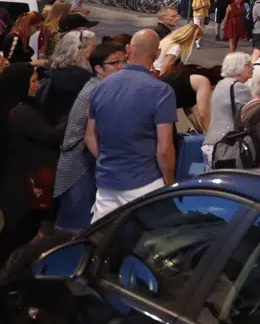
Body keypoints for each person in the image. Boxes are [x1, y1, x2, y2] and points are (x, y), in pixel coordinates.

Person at [85, 30, 175, 221]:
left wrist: (105, 161)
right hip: (146, 183)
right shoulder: (161, 91)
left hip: (106, 184)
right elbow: (164, 148)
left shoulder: (100, 87)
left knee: (102, 242)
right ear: (157, 54)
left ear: (128, 49)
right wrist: (170, 184)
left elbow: (90, 136)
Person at [52, 43, 126, 231]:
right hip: (77, 163)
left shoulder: (99, 85)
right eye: (115, 63)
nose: (121, 67)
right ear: (98, 69)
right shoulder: (98, 90)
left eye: (123, 61)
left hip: (83, 160)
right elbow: (90, 135)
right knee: (74, 226)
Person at [0, 62, 64, 263]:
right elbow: (47, 134)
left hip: (18, 180)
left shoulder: (14, 107)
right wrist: (76, 117)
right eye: (33, 81)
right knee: (19, 232)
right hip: (24, 184)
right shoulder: (20, 112)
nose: (38, 85)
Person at [203, 52, 253, 167]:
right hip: (226, 145)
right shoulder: (239, 87)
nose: (252, 67)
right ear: (237, 66)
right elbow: (248, 116)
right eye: (248, 64)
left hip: (212, 141)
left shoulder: (221, 84)